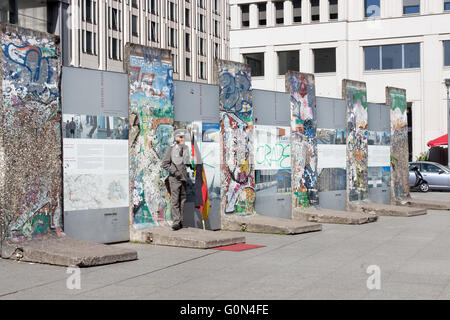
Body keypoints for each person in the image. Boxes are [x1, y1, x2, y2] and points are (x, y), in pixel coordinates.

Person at [162, 129, 193, 231]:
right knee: (175, 201)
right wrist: (175, 172)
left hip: (184, 178)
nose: (182, 138)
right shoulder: (170, 148)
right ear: (175, 138)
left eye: (183, 137)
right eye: (180, 137)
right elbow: (165, 164)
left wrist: (192, 164)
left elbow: (186, 162)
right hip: (174, 179)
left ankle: (180, 221)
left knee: (183, 200)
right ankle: (176, 222)